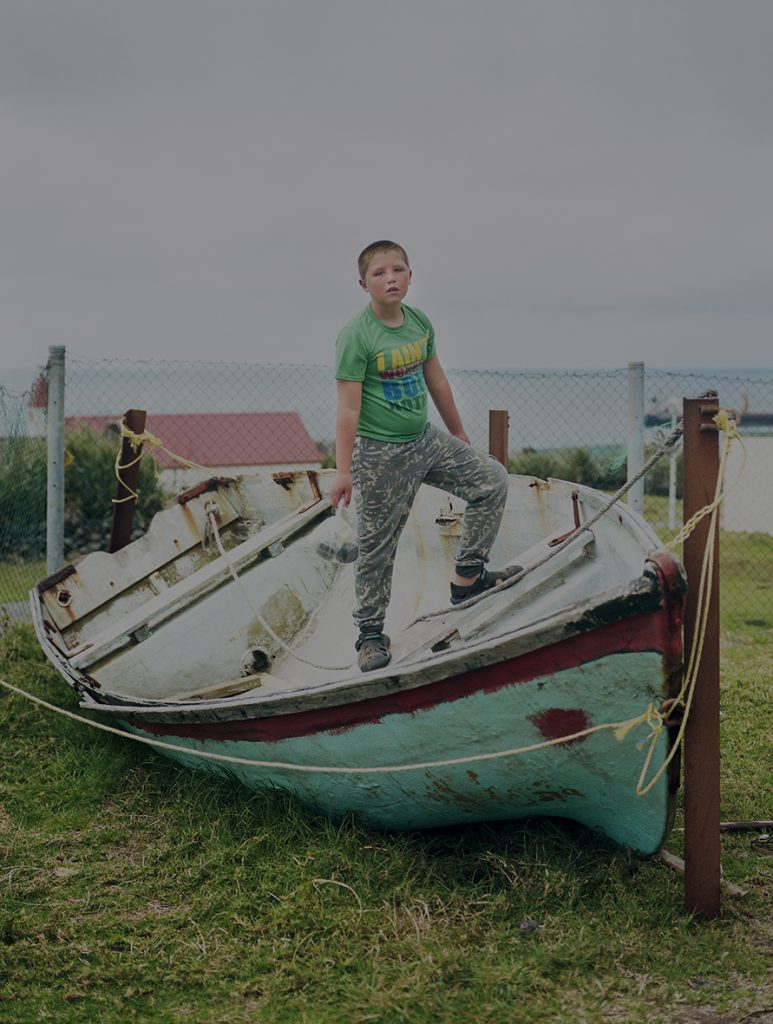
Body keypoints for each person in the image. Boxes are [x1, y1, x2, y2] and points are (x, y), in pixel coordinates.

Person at [331, 240, 520, 672]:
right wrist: (343, 472)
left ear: (411, 277)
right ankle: (370, 633)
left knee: (491, 480)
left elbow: (436, 380)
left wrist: (457, 432)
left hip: (425, 440)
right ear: (364, 284)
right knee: (378, 546)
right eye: (380, 273)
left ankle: (468, 579)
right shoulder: (355, 336)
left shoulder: (419, 323)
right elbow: (347, 408)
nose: (391, 278)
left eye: (398, 269)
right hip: (380, 455)